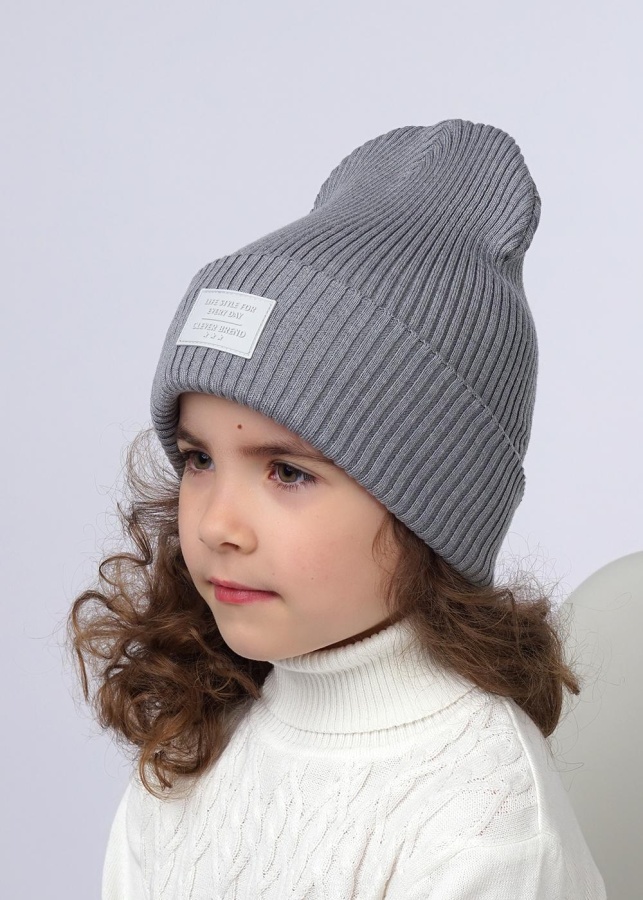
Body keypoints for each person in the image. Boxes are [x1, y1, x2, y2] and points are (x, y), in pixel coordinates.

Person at [68, 119, 607, 898]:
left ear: (431, 504)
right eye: (198, 460)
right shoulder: (196, 743)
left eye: (286, 472)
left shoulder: (480, 820)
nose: (216, 525)